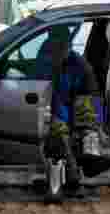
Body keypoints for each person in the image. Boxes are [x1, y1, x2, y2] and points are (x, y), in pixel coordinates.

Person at [38, 24, 104, 161]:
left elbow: (91, 96)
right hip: (53, 106)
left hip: (74, 104)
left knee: (88, 129)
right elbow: (48, 92)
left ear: (69, 44)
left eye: (64, 45)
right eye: (56, 46)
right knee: (60, 130)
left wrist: (92, 127)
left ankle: (88, 155)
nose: (60, 50)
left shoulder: (80, 65)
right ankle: (69, 160)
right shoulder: (44, 59)